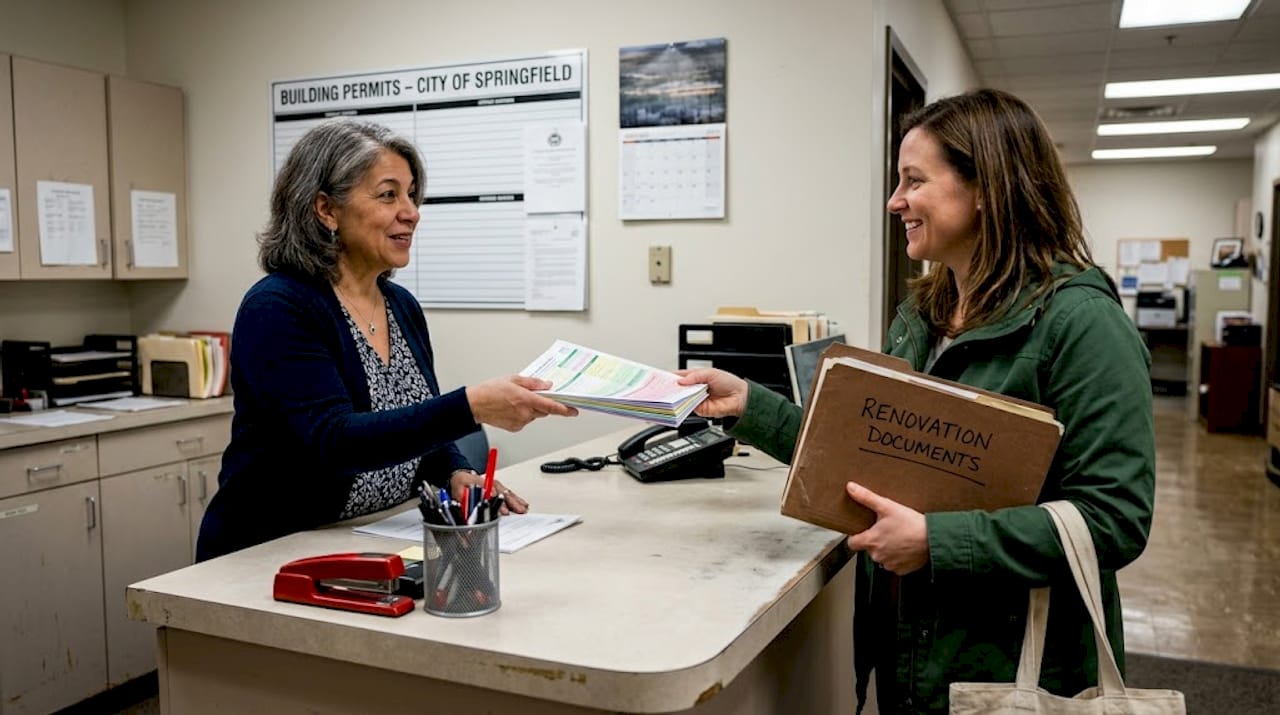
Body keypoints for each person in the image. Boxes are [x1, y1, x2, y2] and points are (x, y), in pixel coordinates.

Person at [679, 89, 1154, 713]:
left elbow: (1115, 518)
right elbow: (871, 453)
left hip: (1012, 668)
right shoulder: (921, 316)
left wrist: (938, 541)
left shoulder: (1082, 325)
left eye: (913, 181)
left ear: (986, 187)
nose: (894, 201)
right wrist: (752, 405)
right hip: (908, 653)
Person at [197, 120, 576, 561]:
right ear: (326, 209)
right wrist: (469, 406)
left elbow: (413, 426)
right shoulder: (279, 306)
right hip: (270, 553)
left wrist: (454, 470)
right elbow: (334, 441)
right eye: (388, 194)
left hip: (367, 539)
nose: (411, 211)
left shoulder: (401, 306)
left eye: (412, 194)